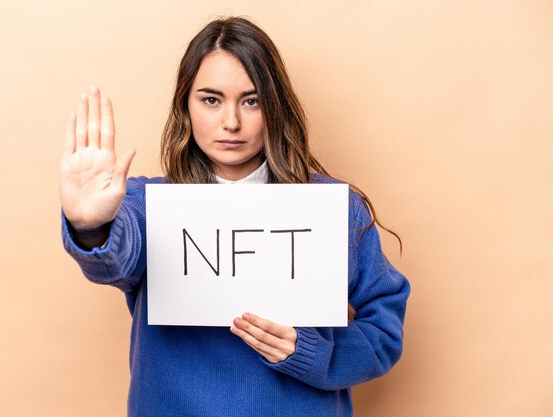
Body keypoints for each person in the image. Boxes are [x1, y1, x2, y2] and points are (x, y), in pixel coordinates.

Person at [60, 16, 410, 417]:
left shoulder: (334, 206)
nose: (231, 122)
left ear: (275, 106)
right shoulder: (145, 205)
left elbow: (383, 331)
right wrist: (91, 226)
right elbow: (113, 259)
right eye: (211, 100)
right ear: (185, 107)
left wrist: (313, 353)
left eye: (252, 100)